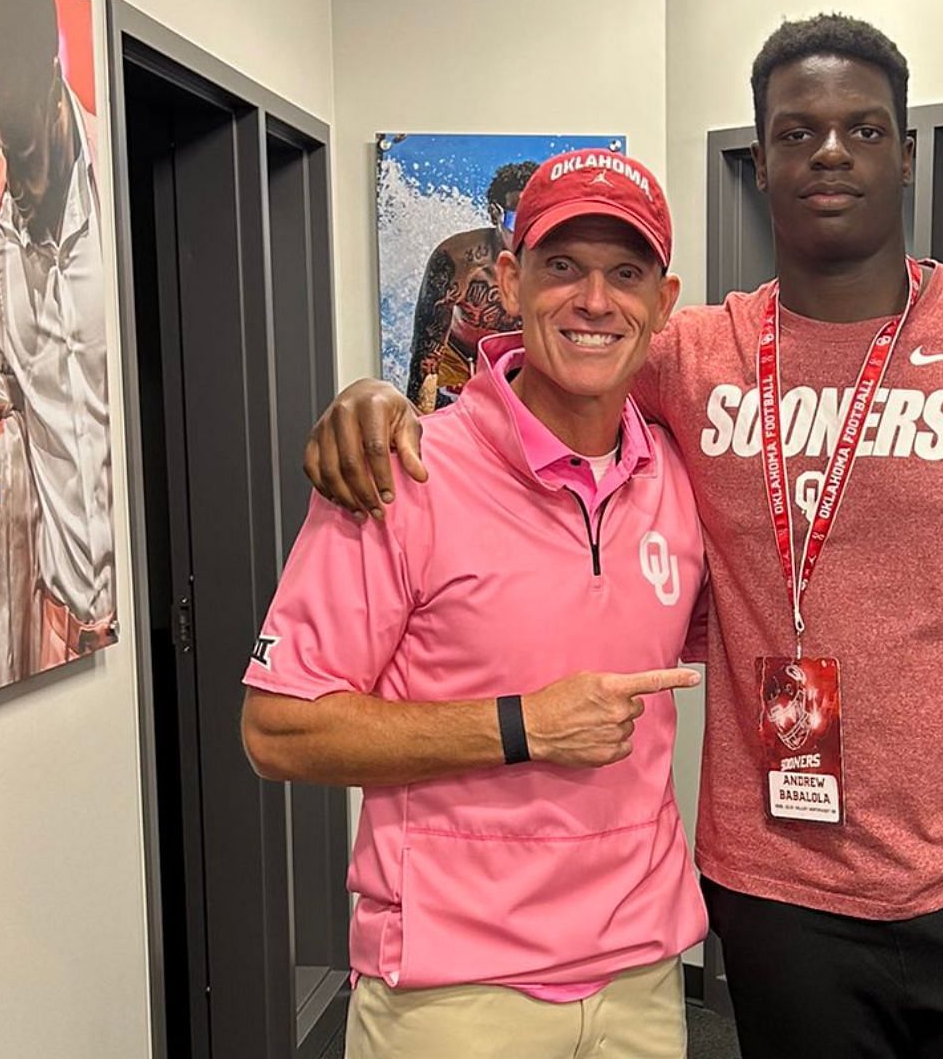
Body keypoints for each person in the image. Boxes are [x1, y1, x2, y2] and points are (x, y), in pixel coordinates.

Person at [308, 15, 943, 1057]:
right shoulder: (689, 354)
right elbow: (532, 356)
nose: (829, 151)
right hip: (776, 894)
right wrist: (372, 398)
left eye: (863, 131)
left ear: (907, 155)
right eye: (797, 131)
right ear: (761, 158)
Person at [243, 149, 708, 1058]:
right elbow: (277, 731)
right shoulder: (405, 473)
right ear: (508, 276)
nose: (593, 301)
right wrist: (519, 726)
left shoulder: (677, 482)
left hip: (642, 981)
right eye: (562, 266)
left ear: (664, 299)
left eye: (626, 273)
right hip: (452, 998)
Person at [0, 0, 116, 680]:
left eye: (31, 155)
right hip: (51, 634)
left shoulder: (115, 193)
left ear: (54, 94)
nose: (24, 183)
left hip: (132, 619)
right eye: (7, 154)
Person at [404, 160, 540, 410]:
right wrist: (418, 436)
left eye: (537, 220)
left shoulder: (555, 265)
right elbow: (426, 359)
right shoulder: (458, 260)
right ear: (494, 214)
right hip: (456, 360)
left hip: (515, 363)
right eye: (517, 220)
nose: (527, 233)